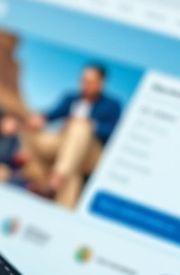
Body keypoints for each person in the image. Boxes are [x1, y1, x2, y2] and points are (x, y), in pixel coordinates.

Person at [21, 63, 121, 208]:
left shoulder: (112, 105)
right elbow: (53, 113)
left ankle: (55, 181)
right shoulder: (71, 98)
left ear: (101, 83)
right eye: (83, 80)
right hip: (66, 149)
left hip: (92, 152)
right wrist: (40, 119)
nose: (85, 85)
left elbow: (113, 132)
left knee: (79, 128)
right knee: (71, 171)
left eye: (90, 81)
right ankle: (44, 181)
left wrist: (90, 125)